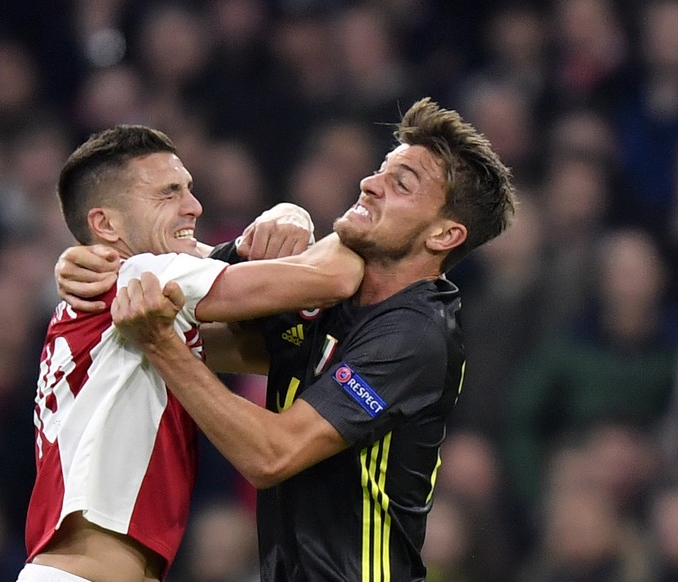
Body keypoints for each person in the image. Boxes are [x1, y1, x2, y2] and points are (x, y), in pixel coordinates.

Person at [57, 97, 518, 581]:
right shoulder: (334, 291)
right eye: (381, 171)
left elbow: (271, 454)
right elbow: (188, 282)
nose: (369, 184)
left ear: (445, 235)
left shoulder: (415, 333)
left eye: (400, 185)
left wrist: (160, 344)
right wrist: (105, 267)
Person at [17, 124, 365, 582]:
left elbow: (279, 350)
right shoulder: (140, 277)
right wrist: (349, 218)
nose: (194, 206)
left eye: (189, 188)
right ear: (105, 224)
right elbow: (332, 277)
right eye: (168, 194)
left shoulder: (117, 306)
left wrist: (284, 223)